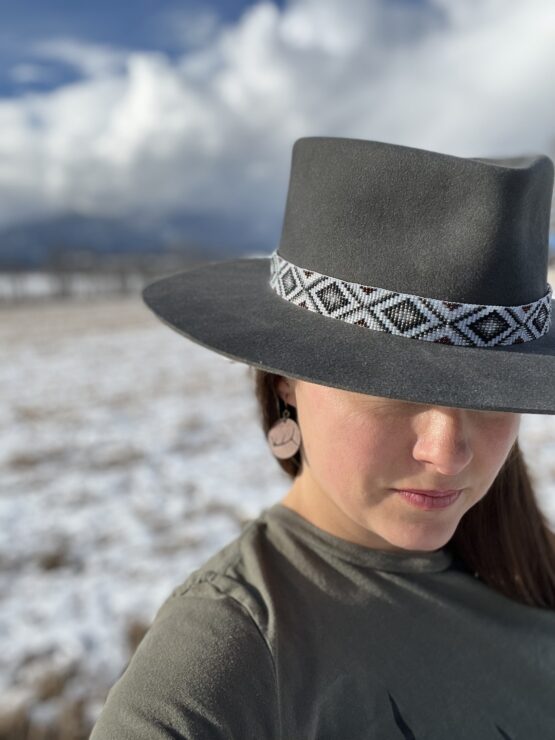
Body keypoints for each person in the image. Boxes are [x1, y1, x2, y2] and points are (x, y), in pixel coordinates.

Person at [90, 137, 555, 739]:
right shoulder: (230, 655)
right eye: (394, 388)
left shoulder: (526, 563)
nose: (446, 452)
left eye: (493, 396)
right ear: (286, 382)